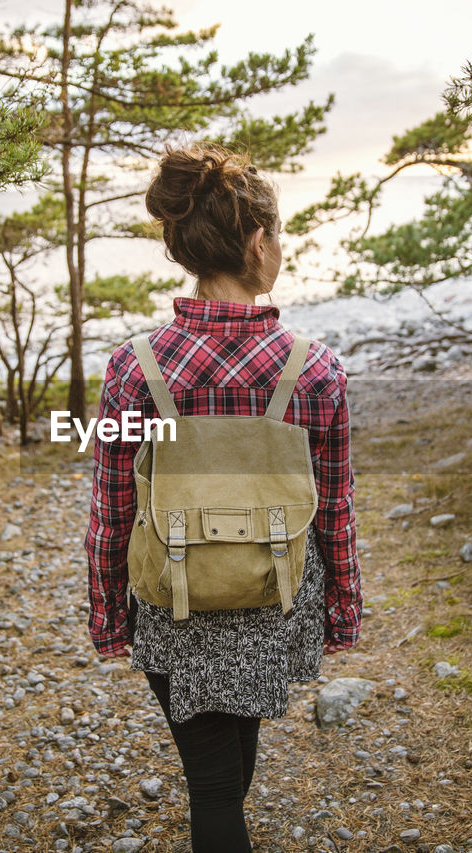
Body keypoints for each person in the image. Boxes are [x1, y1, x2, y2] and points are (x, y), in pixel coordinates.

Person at [84, 141, 362, 852]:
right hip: (273, 596)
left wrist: (108, 613)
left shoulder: (134, 368)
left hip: (174, 603)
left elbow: (114, 508)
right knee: (226, 773)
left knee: (216, 777)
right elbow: (334, 510)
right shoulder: (316, 370)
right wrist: (343, 606)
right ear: (259, 242)